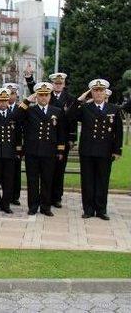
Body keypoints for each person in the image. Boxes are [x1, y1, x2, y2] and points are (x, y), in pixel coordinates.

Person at [67, 79, 123, 220]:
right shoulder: (85, 108)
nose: (98, 93)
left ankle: (101, 209)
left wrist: (117, 150)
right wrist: (80, 100)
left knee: (103, 181)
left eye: (101, 91)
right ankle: (88, 209)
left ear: (105, 93)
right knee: (87, 181)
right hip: (88, 150)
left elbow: (119, 132)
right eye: (95, 91)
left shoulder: (113, 109)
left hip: (105, 151)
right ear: (91, 92)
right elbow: (69, 116)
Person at [25, 68, 77, 208]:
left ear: (64, 84)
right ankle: (37, 203)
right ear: (52, 84)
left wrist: (72, 138)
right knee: (39, 177)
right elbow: (34, 91)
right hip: (39, 144)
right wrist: (29, 77)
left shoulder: (70, 98)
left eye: (61, 83)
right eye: (56, 83)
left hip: (58, 141)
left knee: (58, 172)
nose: (58, 85)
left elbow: (71, 120)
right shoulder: (46, 95)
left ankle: (56, 198)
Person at [13, 82, 66, 217]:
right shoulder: (29, 110)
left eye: (46, 95)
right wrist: (26, 101)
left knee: (47, 180)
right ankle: (33, 206)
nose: (43, 98)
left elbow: (61, 133)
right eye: (40, 95)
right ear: (36, 96)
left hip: (49, 151)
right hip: (32, 151)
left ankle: (45, 206)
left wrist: (60, 150)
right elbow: (15, 117)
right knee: (32, 180)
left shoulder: (57, 111)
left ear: (50, 96)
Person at [3, 83, 24, 206]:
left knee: (16, 173)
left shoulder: (20, 109)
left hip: (16, 145)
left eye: (14, 93)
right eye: (9, 93)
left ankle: (15, 196)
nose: (12, 96)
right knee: (4, 174)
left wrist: (19, 148)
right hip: (4, 146)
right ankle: (6, 195)